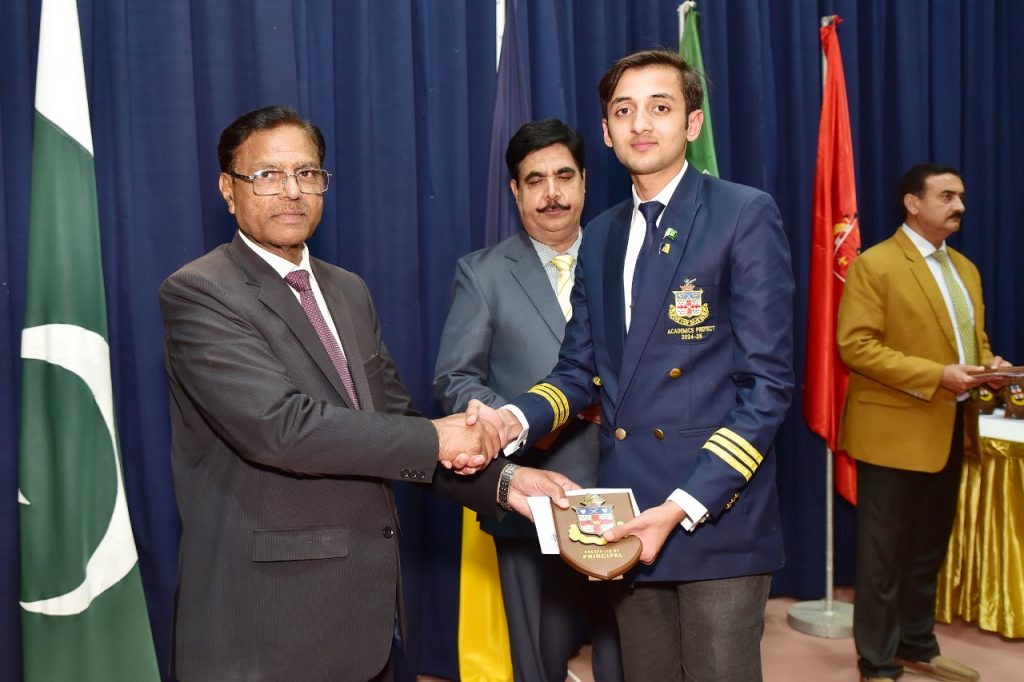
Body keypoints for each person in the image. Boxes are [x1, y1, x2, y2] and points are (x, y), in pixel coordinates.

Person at [159, 105, 573, 682]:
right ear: (229, 190)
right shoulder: (200, 292)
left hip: (366, 620)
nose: (291, 191)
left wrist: (505, 481)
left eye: (307, 173)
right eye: (268, 175)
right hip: (264, 624)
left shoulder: (347, 290)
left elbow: (395, 420)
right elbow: (282, 428)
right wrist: (439, 437)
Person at [468, 50, 794, 681]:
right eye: (624, 111)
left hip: (713, 511)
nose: (640, 124)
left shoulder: (742, 214)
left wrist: (683, 505)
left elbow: (767, 387)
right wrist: (512, 420)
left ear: (692, 123)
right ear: (607, 130)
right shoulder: (601, 234)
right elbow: (577, 371)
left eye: (659, 107)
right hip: (628, 515)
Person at [434, 119, 622, 682]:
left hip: (626, 482)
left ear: (585, 181)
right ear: (515, 191)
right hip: (531, 487)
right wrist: (529, 421)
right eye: (535, 180)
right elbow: (455, 379)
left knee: (627, 647)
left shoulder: (628, 259)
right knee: (537, 656)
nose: (552, 194)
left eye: (564, 176)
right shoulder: (482, 273)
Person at [837, 163, 1009, 682]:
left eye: (961, 197)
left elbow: (972, 342)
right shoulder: (876, 264)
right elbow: (856, 346)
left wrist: (990, 366)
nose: (960, 206)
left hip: (950, 430)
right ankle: (877, 662)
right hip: (891, 434)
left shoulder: (966, 269)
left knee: (926, 550)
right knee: (883, 556)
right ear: (912, 203)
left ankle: (916, 644)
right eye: (947, 196)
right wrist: (938, 375)